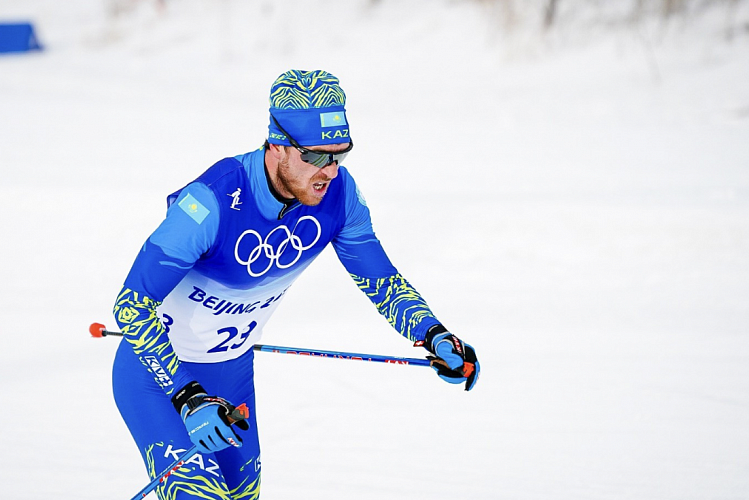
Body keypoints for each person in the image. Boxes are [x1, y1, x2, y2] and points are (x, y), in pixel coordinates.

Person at [110, 69, 479, 500]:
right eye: (316, 157)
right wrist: (188, 396)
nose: (329, 171)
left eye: (339, 156)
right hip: (160, 378)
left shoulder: (339, 197)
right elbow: (131, 304)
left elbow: (382, 280)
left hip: (230, 376)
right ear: (278, 145)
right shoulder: (209, 203)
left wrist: (433, 333)